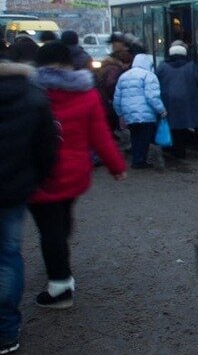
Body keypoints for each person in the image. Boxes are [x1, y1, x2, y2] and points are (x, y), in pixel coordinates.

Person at [29, 43, 126, 309]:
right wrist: (116, 166)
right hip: (74, 173)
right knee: (61, 220)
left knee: (49, 229)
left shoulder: (32, 91)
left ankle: (60, 287)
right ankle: (59, 253)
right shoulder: (86, 93)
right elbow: (100, 135)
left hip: (40, 174)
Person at [0, 60, 58, 353]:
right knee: (8, 256)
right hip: (12, 190)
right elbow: (47, 146)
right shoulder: (32, 94)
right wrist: (36, 178)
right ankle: (6, 332)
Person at [113, 53, 167, 168]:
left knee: (135, 136)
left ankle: (136, 159)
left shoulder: (124, 76)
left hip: (129, 115)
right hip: (146, 115)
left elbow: (117, 98)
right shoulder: (149, 76)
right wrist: (161, 110)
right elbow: (152, 96)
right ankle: (139, 161)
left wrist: (120, 114)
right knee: (144, 138)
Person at [156, 42, 198, 159]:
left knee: (171, 125)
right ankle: (181, 150)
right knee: (183, 126)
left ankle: (171, 148)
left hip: (168, 100)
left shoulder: (162, 66)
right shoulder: (191, 65)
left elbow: (156, 81)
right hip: (187, 100)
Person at [95, 35, 133, 135]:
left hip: (106, 98)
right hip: (110, 99)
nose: (113, 45)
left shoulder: (109, 62)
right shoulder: (115, 68)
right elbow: (111, 84)